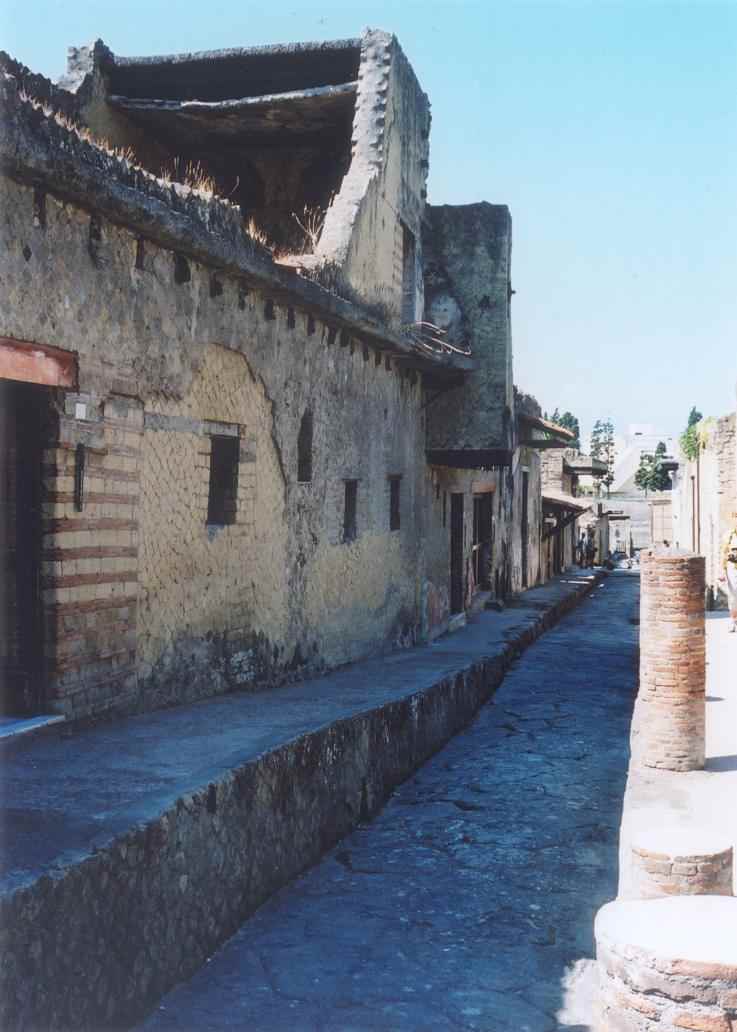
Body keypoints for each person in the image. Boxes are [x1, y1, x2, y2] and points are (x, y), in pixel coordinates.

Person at [720, 516, 737, 634]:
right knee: (733, 596)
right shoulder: (728, 535)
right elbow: (723, 553)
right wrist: (721, 570)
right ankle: (734, 621)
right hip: (732, 568)